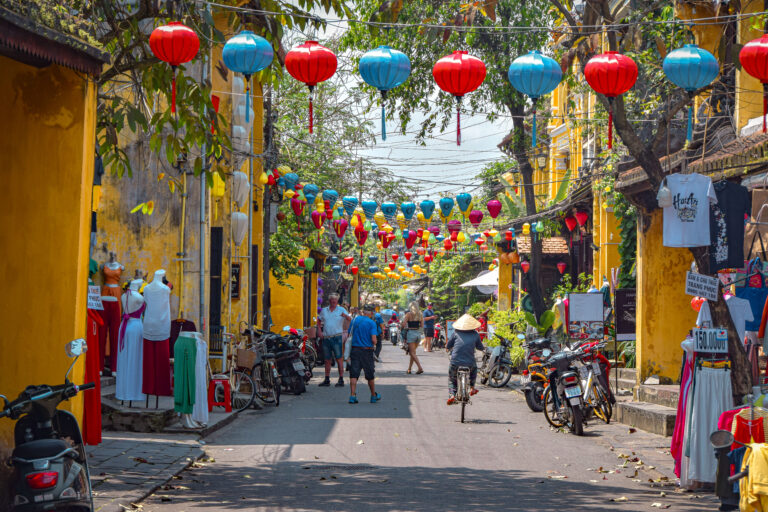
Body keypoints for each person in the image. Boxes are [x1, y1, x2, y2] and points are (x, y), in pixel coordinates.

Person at [445, 314, 484, 405]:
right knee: (474, 371)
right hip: (470, 363)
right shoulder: (475, 334)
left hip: (455, 362)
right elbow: (480, 347)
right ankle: (472, 388)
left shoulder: (456, 333)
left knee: (452, 379)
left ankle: (452, 395)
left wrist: (447, 347)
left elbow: (448, 345)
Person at [347, 304, 381, 404]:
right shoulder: (372, 323)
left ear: (363, 312)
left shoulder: (354, 321)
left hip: (355, 350)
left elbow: (349, 334)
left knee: (354, 373)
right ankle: (373, 396)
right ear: (371, 313)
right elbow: (374, 340)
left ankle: (352, 396)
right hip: (367, 351)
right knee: (370, 374)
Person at [317, 293, 352, 387]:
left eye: (335, 300)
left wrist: (345, 316)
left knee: (339, 358)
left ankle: (341, 379)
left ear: (337, 301)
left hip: (337, 337)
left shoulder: (341, 309)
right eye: (332, 300)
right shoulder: (324, 310)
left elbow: (350, 319)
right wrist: (319, 331)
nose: (333, 302)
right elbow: (318, 320)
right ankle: (327, 379)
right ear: (329, 301)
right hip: (326, 337)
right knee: (327, 359)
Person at [401, 301, 424, 374]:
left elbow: (404, 324)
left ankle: (420, 368)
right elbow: (422, 326)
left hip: (411, 333)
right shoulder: (420, 314)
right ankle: (409, 369)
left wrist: (402, 327)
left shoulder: (408, 314)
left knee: (412, 353)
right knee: (413, 353)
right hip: (418, 334)